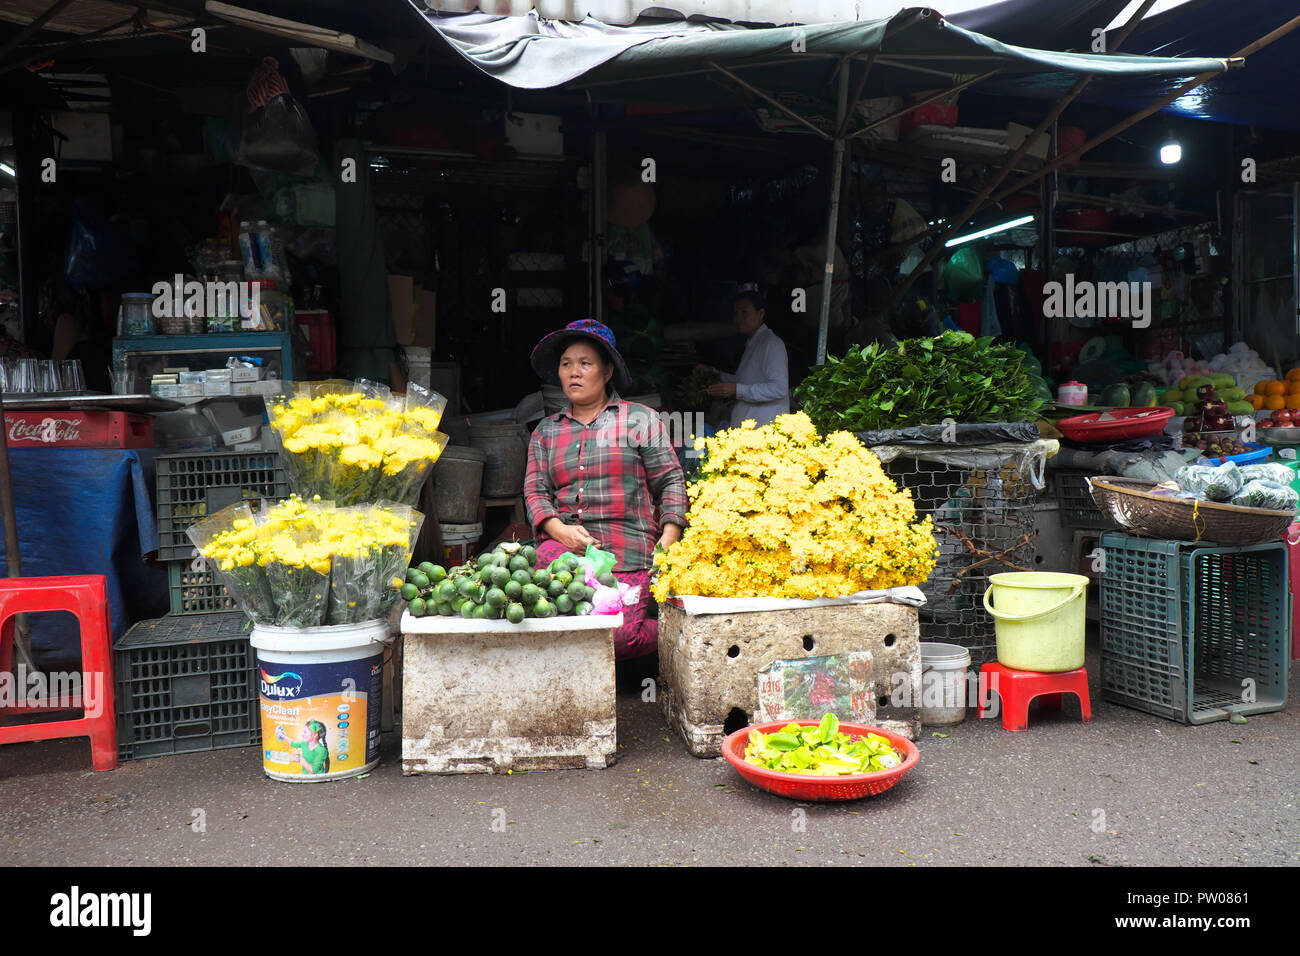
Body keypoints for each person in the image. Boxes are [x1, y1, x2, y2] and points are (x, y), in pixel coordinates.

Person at [525, 319, 688, 661]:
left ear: (607, 371)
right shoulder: (545, 431)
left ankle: (684, 631)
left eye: (585, 364)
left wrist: (668, 539)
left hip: (627, 556)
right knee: (543, 620)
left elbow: (671, 480)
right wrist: (561, 531)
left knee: (618, 640)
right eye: (566, 364)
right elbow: (536, 493)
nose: (574, 372)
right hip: (567, 556)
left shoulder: (639, 420)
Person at [700, 289, 789, 427]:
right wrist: (714, 373)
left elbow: (779, 388)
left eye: (744, 312)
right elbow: (744, 382)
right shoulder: (753, 343)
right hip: (751, 434)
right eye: (735, 314)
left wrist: (737, 390)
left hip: (765, 432)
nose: (738, 318)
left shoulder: (771, 343)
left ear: (761, 314)